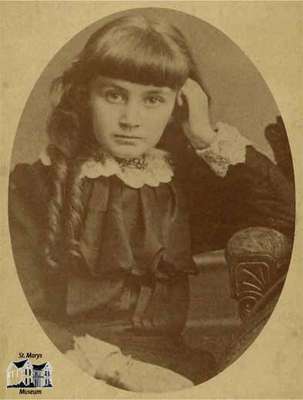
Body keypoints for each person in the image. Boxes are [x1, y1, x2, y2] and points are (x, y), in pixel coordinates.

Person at [9, 14, 295, 390]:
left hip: (174, 369)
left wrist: (204, 135)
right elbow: (14, 321)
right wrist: (116, 370)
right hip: (72, 363)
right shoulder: (36, 184)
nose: (131, 119)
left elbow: (286, 213)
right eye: (114, 95)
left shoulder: (181, 185)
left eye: (153, 99)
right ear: (85, 97)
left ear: (178, 105)